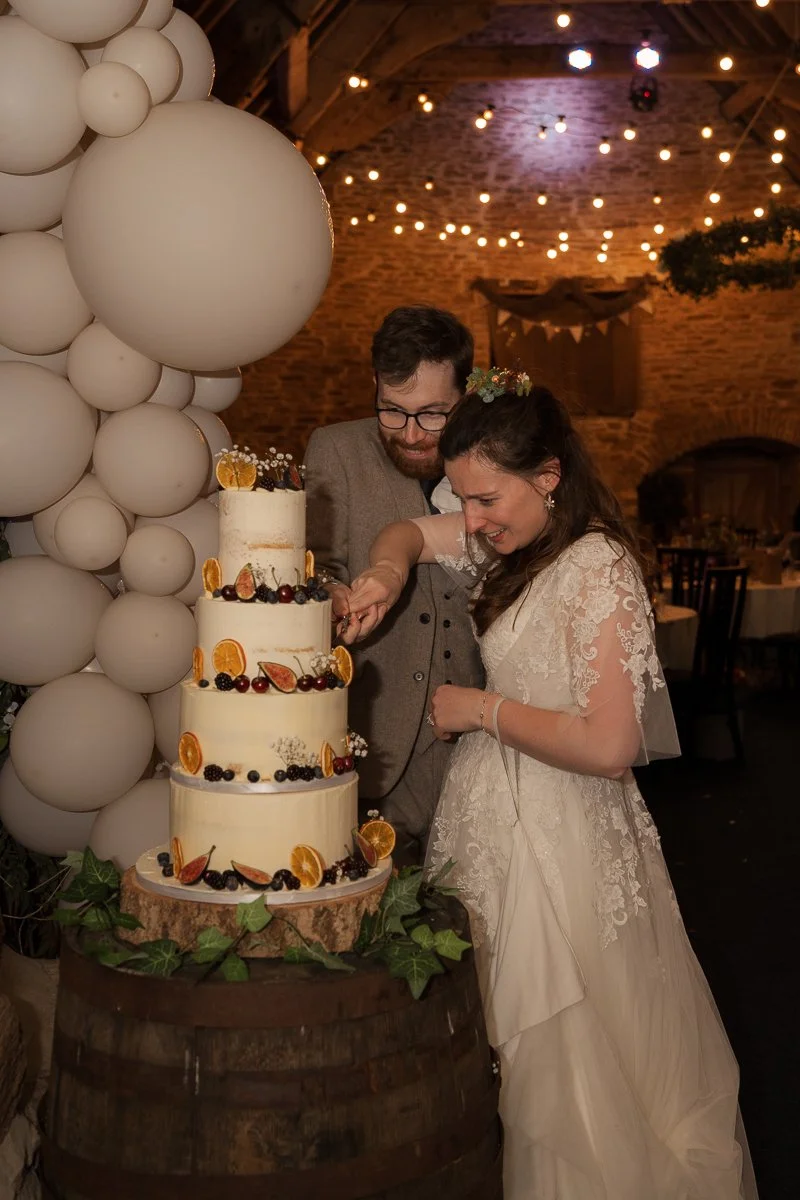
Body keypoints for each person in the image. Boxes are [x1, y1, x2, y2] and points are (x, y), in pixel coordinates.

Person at [342, 368, 757, 1200]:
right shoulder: (513, 537)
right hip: (494, 832)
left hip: (563, 849)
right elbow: (406, 534)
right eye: (461, 499)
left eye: (487, 498)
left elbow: (610, 743)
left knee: (569, 1062)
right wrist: (384, 579)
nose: (472, 519)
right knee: (501, 1062)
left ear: (548, 477)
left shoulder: (596, 566)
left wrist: (480, 710)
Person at [304, 305, 483, 864]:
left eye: (433, 414)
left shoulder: (502, 456)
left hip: (484, 740)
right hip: (376, 740)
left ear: (468, 393)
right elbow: (311, 567)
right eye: (392, 411)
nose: (409, 434)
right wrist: (330, 594)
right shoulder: (334, 449)